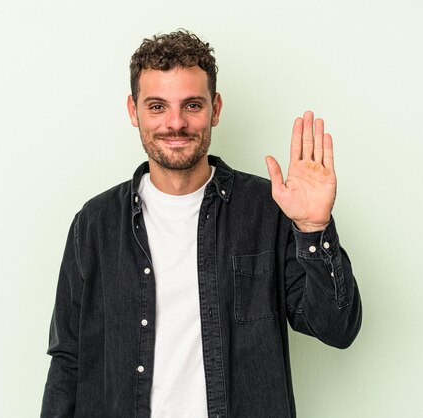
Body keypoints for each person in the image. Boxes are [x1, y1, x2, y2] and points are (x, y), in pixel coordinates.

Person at [41, 30, 362, 418]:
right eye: (157, 106)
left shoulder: (269, 210)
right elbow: (68, 361)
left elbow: (337, 329)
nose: (175, 123)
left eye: (192, 105)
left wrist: (313, 227)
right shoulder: (93, 225)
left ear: (216, 108)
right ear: (133, 110)